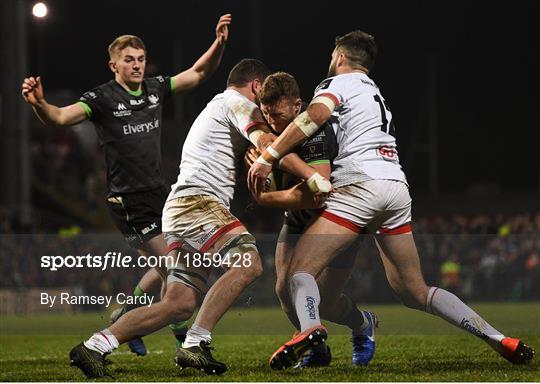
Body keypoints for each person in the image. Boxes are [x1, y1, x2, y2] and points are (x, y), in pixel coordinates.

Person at [248, 31, 535, 369]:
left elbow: (314, 117)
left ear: (340, 56)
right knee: (414, 291)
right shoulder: (373, 91)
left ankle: (311, 330)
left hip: (359, 187)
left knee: (300, 272)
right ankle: (498, 337)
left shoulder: (337, 84)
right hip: (396, 188)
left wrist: (268, 156)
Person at [67, 59, 332, 378]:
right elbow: (268, 144)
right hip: (198, 202)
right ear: (257, 87)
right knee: (249, 263)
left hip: (182, 206)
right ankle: (196, 343)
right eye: (263, 100)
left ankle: (93, 347)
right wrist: (311, 176)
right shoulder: (236, 102)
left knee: (178, 304)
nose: (264, 109)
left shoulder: (219, 107)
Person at [22, 15, 232, 356]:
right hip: (128, 201)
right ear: (113, 65)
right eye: (129, 60)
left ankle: (129, 313)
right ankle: (177, 333)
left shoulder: (154, 88)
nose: (136, 65)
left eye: (140, 59)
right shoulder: (101, 98)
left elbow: (197, 74)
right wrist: (40, 105)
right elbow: (59, 118)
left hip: (160, 194)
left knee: (175, 264)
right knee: (176, 273)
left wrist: (219, 44)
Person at [246, 72, 377, 368]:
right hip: (297, 218)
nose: (272, 122)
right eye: (266, 114)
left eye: (277, 115)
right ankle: (316, 347)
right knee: (283, 289)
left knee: (328, 303)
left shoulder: (315, 130)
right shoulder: (275, 130)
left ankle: (362, 324)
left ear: (296, 107)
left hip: (338, 215)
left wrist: (266, 197)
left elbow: (317, 192)